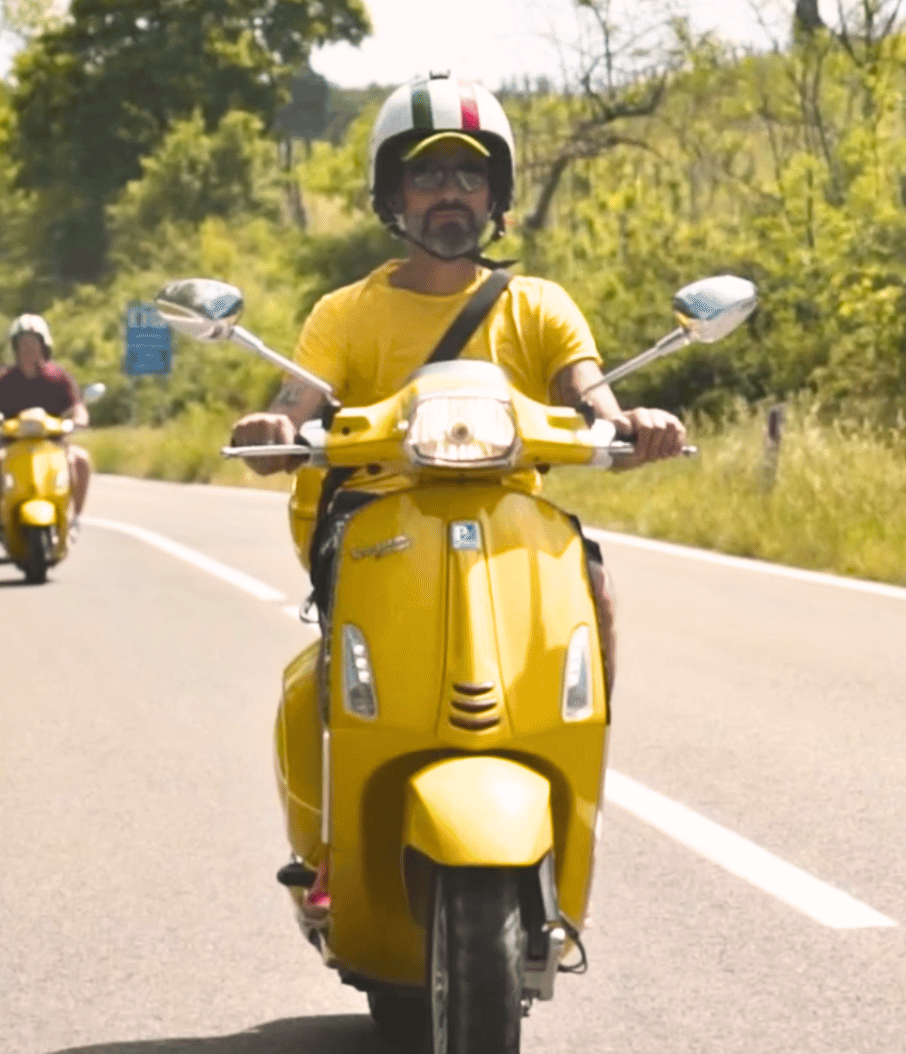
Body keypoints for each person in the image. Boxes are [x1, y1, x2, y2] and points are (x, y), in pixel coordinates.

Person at [227, 73, 685, 909]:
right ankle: (333, 843)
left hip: (511, 519)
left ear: (495, 197)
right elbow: (299, 406)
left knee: (595, 584)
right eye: (429, 175)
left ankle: (570, 779)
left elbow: (594, 401)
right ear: (394, 194)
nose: (451, 194)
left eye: (469, 176)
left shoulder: (540, 306)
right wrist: (274, 432)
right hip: (379, 522)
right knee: (343, 673)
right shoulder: (344, 313)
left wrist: (636, 424)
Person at [0, 313, 93, 527]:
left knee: (81, 460)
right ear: (15, 347)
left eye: (33, 342)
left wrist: (78, 420)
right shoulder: (2, 380)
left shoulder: (58, 378)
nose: (29, 348)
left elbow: (77, 407)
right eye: (23, 343)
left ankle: (74, 517)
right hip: (12, 444)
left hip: (53, 443)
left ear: (43, 345)